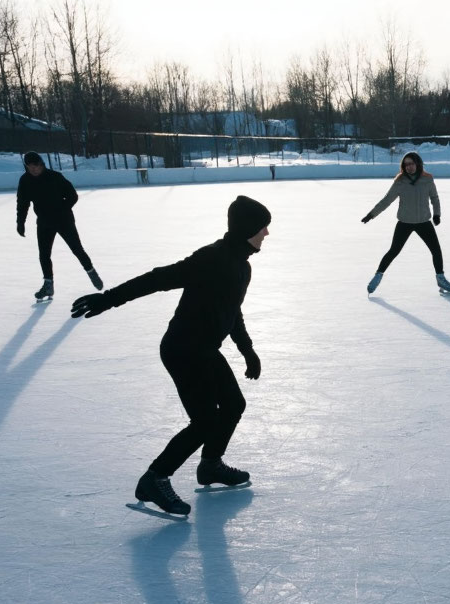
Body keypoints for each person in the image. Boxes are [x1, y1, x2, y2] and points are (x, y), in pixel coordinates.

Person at [69, 195, 272, 516]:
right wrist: (108, 299)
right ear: (247, 227)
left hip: (205, 349)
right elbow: (158, 279)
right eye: (263, 227)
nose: (266, 234)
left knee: (234, 405)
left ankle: (210, 466)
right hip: (183, 349)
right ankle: (155, 478)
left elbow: (233, 312)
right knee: (205, 421)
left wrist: (248, 351)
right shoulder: (212, 258)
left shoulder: (241, 267)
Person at [362, 152, 450, 295]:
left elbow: (434, 198)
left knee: (436, 250)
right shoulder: (400, 181)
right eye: (406, 165)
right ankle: (377, 276)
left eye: (411, 163)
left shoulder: (427, 179)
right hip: (405, 222)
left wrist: (437, 214)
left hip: (424, 222)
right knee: (393, 251)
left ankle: (440, 278)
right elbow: (387, 200)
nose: (409, 167)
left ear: (417, 163)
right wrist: (371, 214)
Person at [16, 151, 102, 301]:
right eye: (30, 167)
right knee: (44, 255)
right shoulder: (25, 181)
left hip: (64, 220)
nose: (33, 170)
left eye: (36, 166)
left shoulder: (55, 177)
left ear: (41, 164)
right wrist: (20, 223)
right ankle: (48, 285)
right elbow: (22, 203)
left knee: (77, 249)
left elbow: (72, 195)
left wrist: (62, 209)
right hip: (44, 222)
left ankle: (91, 272)